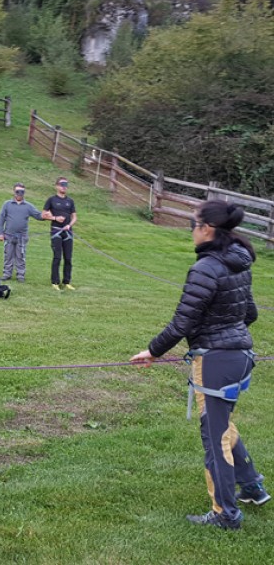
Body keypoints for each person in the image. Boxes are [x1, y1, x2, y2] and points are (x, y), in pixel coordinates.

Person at [130, 200, 270, 530]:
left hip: (216, 360)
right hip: (240, 356)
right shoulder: (239, 261)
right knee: (222, 424)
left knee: (214, 436)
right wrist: (226, 330)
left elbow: (182, 323)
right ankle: (251, 486)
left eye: (193, 224)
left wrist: (152, 351)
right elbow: (249, 314)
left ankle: (226, 514)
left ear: (207, 229)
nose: (191, 231)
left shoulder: (206, 268)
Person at [0, 183, 50, 283]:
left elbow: (38, 216)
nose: (19, 194)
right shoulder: (7, 204)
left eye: (22, 192)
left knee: (21, 256)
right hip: (8, 235)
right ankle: (7, 274)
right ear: (14, 192)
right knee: (8, 255)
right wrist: (0, 233)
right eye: (17, 191)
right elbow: (1, 219)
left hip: (22, 236)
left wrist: (46, 216)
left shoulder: (28, 206)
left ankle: (20, 275)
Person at [42, 177, 77, 291]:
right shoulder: (51, 200)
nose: (64, 186)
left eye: (66, 184)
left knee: (68, 258)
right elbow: (44, 215)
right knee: (57, 257)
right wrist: (55, 217)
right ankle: (55, 282)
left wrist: (69, 225)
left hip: (68, 232)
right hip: (56, 231)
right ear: (56, 186)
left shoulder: (70, 201)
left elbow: (74, 217)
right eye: (62, 184)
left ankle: (66, 282)